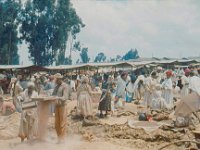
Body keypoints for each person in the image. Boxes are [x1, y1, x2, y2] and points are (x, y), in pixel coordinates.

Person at [52, 73, 71, 143]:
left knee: (62, 123)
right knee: (56, 123)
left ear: (60, 79)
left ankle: (62, 139)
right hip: (56, 106)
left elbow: (65, 97)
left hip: (62, 106)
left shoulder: (65, 86)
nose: (55, 81)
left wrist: (58, 97)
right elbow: (53, 95)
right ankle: (58, 138)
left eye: (56, 80)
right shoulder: (56, 86)